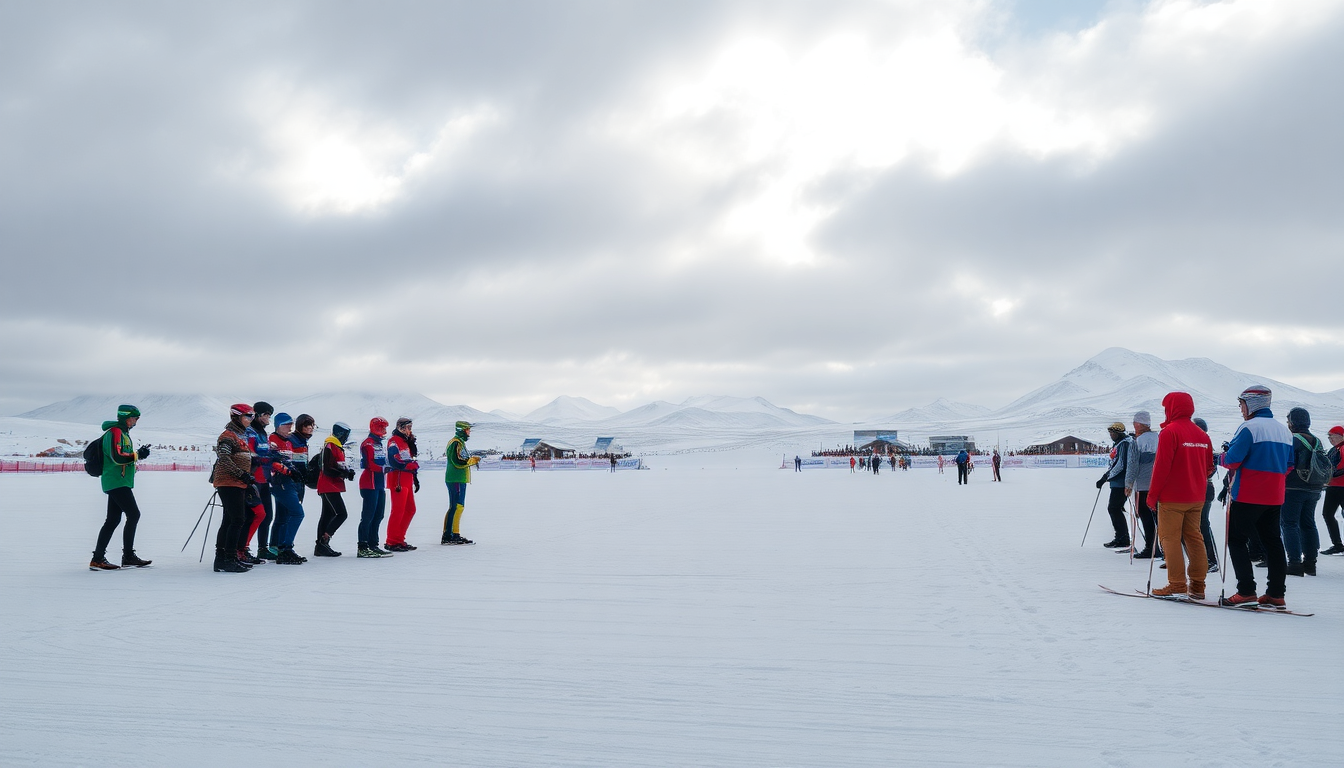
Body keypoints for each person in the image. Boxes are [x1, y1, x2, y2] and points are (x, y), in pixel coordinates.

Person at [1220, 385, 1294, 608]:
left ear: (1251, 404)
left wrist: (1219, 457)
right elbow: (1289, 465)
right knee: (1273, 542)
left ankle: (1246, 591)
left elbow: (1232, 460)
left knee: (1236, 540)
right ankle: (1275, 593)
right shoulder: (1284, 430)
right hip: (1274, 495)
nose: (1241, 409)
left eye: (1241, 404)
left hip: (1248, 494)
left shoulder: (1249, 428)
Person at [1145, 392, 1214, 599]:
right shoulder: (1202, 435)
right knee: (1194, 538)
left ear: (1172, 408)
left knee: (1170, 539)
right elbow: (1210, 468)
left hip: (1172, 497)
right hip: (1196, 496)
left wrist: (1152, 496)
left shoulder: (1169, 432)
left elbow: (1161, 468)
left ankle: (1176, 585)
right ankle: (1198, 586)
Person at [89, 404, 152, 570]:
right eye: (135, 418)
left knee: (113, 520)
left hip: (119, 481)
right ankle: (128, 556)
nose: (136, 421)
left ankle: (98, 558)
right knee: (134, 514)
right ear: (127, 417)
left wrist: (138, 455)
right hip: (116, 481)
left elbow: (124, 457)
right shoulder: (115, 432)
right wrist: (137, 455)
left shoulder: (122, 433)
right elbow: (117, 457)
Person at [212, 404, 257, 573]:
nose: (251, 420)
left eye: (252, 416)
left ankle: (223, 559)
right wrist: (241, 474)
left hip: (237, 482)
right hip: (229, 482)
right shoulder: (228, 436)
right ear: (237, 417)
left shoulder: (240, 435)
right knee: (237, 519)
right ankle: (229, 558)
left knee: (230, 520)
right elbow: (223, 458)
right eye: (248, 416)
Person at [1282, 407, 1325, 576]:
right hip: (1314, 487)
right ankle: (1310, 563)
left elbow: (1286, 462)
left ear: (1293, 422)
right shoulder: (1317, 440)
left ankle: (1294, 563)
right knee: (1308, 523)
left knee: (1289, 524)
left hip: (1293, 487)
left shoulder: (1292, 439)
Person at [268, 413, 308, 564]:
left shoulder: (288, 442)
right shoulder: (273, 439)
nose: (289, 428)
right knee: (297, 513)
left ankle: (278, 547)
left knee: (283, 516)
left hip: (287, 481)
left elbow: (289, 461)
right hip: (280, 482)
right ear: (278, 425)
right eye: (286, 425)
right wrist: (288, 471)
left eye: (291, 425)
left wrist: (295, 472)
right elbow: (272, 461)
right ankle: (286, 548)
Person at [244, 401, 278, 561]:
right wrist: (266, 458)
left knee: (267, 515)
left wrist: (274, 456)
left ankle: (262, 548)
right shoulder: (250, 432)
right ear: (257, 415)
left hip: (264, 479)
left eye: (269, 415)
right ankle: (243, 547)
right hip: (253, 479)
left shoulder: (263, 433)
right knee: (254, 515)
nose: (268, 418)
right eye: (266, 415)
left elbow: (264, 452)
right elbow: (251, 454)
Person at [315, 422, 356, 557]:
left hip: (331, 485)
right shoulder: (330, 445)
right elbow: (327, 468)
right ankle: (324, 541)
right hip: (328, 485)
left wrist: (346, 472)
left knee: (327, 515)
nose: (346, 438)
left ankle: (321, 546)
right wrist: (343, 473)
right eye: (345, 435)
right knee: (341, 514)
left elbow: (334, 466)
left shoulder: (335, 446)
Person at [1125, 411, 1161, 559]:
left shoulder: (1137, 442)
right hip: (1160, 485)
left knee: (1146, 517)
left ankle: (1151, 548)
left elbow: (1132, 465)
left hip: (1143, 486)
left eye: (1134, 423)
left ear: (1139, 424)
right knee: (1160, 518)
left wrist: (1128, 483)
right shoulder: (1159, 438)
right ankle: (1164, 548)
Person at [357, 418, 393, 558]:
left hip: (378, 484)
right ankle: (362, 546)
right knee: (368, 516)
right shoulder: (368, 443)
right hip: (369, 483)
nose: (384, 431)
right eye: (382, 428)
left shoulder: (378, 443)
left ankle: (373, 544)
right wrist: (384, 469)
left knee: (379, 515)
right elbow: (369, 464)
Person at [384, 418, 421, 551]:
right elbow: (394, 460)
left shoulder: (407, 442)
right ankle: (391, 541)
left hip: (407, 479)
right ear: (401, 428)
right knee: (398, 510)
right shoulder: (394, 441)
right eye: (408, 427)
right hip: (398, 480)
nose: (410, 430)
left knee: (410, 509)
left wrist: (414, 477)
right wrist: (407, 465)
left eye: (410, 427)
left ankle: (399, 538)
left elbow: (409, 460)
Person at [443, 421, 481, 545]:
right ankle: (451, 535)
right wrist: (472, 461)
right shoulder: (456, 443)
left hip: (458, 479)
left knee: (458, 507)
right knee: (456, 507)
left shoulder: (460, 442)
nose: (469, 432)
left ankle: (453, 533)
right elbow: (458, 461)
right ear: (462, 430)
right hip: (455, 479)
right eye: (468, 430)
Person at [1095, 422, 1132, 550]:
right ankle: (1121, 537)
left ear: (1118, 433)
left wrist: (1105, 477)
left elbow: (1121, 464)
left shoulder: (1124, 444)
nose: (1111, 435)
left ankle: (1123, 538)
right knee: (1115, 509)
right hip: (1117, 482)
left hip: (1121, 482)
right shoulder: (1120, 443)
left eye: (1112, 433)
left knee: (1114, 508)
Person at [1191, 418, 1220, 573]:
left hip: (1201, 489)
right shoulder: (1206, 446)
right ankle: (1203, 559)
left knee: (1201, 524)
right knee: (1198, 525)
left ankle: (1210, 559)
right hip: (1203, 489)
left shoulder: (1200, 447)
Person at [1321, 425, 1344, 555]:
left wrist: (1333, 474)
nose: (1330, 438)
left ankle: (1338, 544)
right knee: (1328, 514)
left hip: (1339, 486)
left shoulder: (1340, 449)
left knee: (1328, 514)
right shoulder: (1335, 449)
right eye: (1328, 436)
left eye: (1332, 435)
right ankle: (1337, 544)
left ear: (1340, 436)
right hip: (1334, 486)